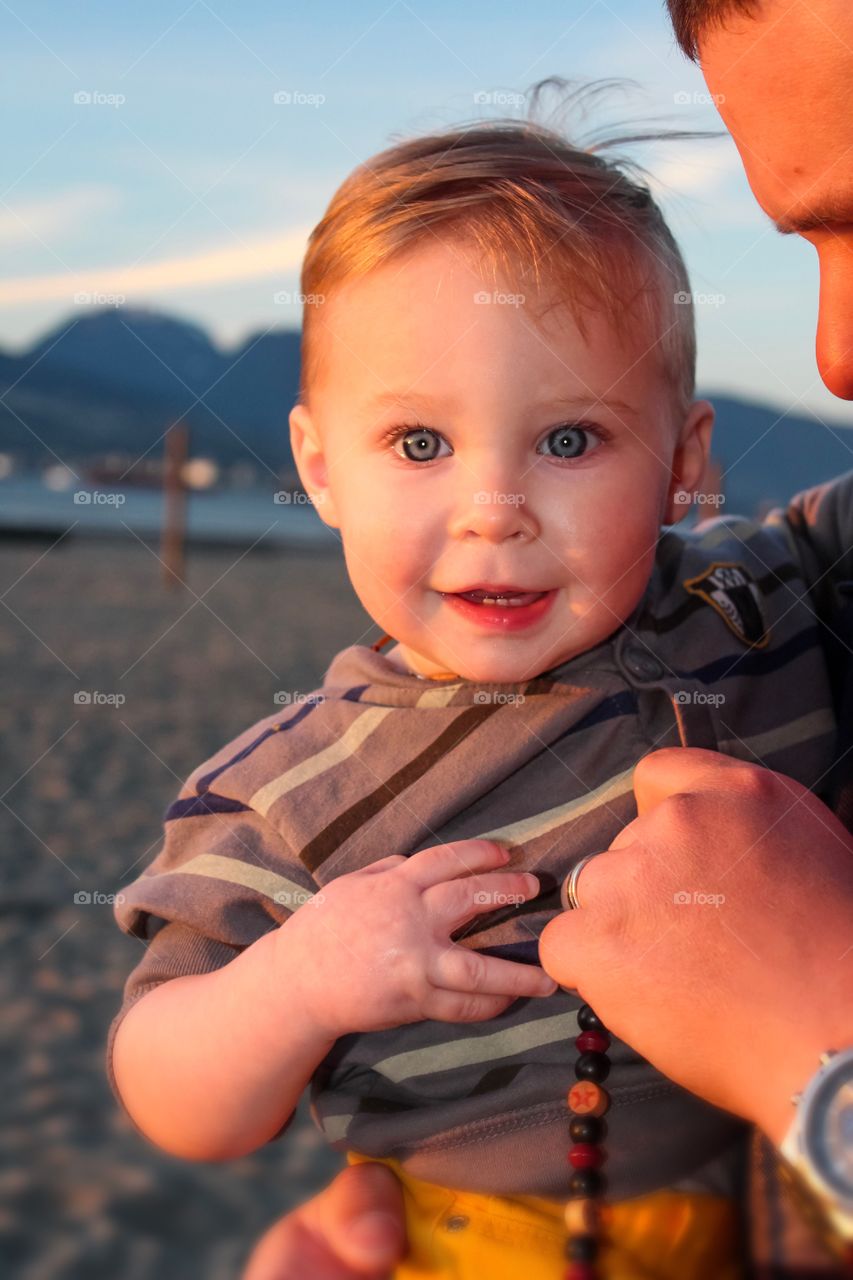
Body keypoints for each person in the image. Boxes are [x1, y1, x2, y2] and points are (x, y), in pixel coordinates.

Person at [105, 109, 852, 1279]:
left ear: (682, 460)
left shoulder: (760, 594)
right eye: (416, 443)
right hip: (485, 1243)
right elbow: (172, 1087)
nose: (492, 507)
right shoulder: (286, 795)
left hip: (785, 1200)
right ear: (317, 464)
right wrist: (301, 979)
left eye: (568, 438)